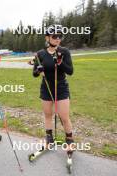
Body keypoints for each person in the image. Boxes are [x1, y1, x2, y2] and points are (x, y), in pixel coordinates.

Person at [33, 25, 74, 153]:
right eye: (54, 36)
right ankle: (49, 139)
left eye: (59, 36)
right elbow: (34, 73)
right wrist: (38, 70)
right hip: (46, 88)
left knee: (64, 117)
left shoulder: (64, 51)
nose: (57, 39)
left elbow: (70, 71)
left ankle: (69, 141)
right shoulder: (40, 54)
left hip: (61, 88)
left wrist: (60, 63)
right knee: (48, 115)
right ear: (47, 38)